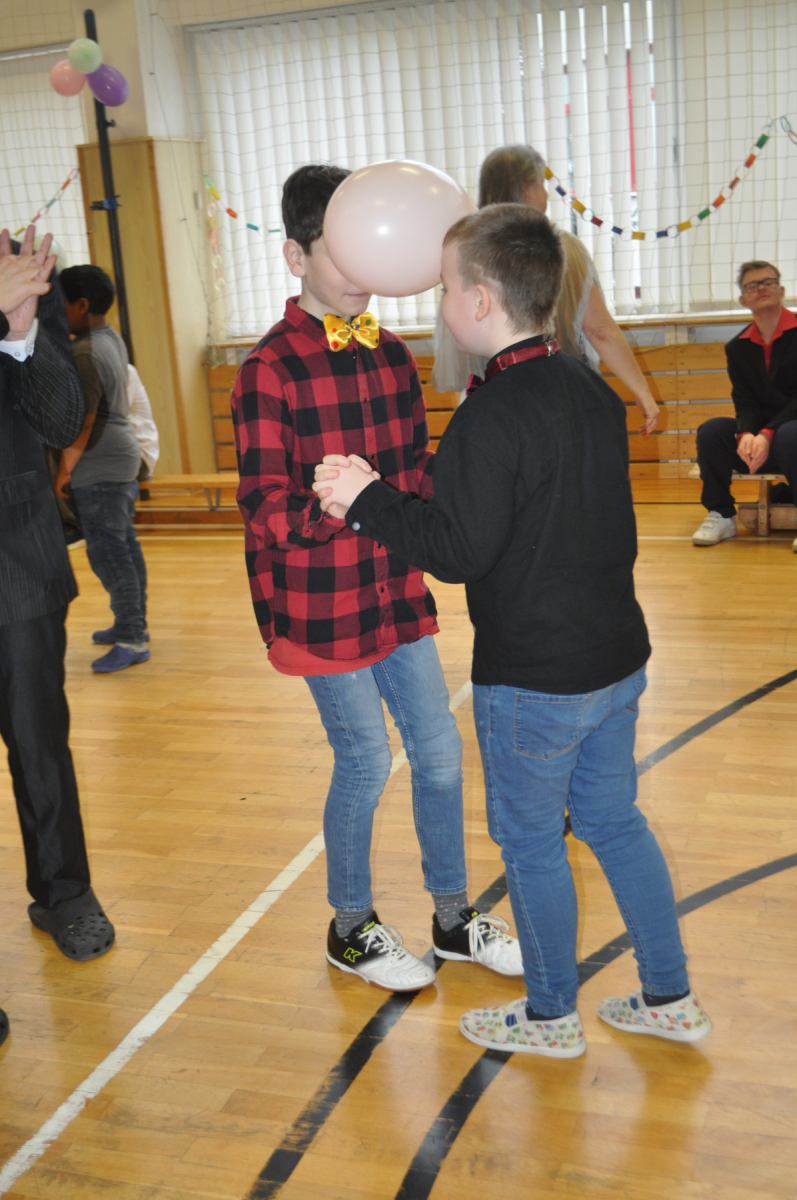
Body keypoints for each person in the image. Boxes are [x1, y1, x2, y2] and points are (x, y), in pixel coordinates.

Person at [314, 204, 712, 1056]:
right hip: (615, 659)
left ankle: (549, 1016)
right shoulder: (587, 386)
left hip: (534, 681)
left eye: (445, 287)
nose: (438, 302)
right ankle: (668, 997)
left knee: (531, 845)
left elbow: (456, 552)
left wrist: (364, 500)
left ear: (480, 302)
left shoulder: (489, 414)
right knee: (614, 822)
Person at [231, 164, 523, 993]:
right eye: (340, 247)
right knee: (364, 760)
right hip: (320, 602)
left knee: (439, 753)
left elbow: (411, 470)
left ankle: (452, 918)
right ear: (296, 256)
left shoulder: (392, 354)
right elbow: (264, 511)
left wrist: (468, 470)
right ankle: (349, 927)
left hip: (394, 588)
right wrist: (347, 500)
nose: (364, 264)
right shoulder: (268, 369)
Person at [0, 225, 115, 970]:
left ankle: (65, 894)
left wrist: (19, 334)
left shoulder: (19, 266)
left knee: (40, 742)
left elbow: (61, 419)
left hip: (16, 559)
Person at [432, 144, 660, 436]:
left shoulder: (463, 251)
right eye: (541, 184)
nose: (547, 193)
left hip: (489, 404)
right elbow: (600, 329)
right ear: (526, 189)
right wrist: (642, 391)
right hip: (559, 397)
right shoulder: (561, 248)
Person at [55, 266, 150, 671]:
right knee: (124, 546)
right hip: (122, 459)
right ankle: (132, 622)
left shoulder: (85, 352)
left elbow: (85, 422)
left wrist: (63, 470)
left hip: (100, 467)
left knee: (109, 554)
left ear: (81, 304)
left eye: (60, 304)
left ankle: (132, 637)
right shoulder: (109, 337)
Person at [693, 261, 797, 548]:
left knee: (791, 433)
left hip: (790, 438)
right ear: (743, 299)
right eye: (753, 285)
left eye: (768, 281)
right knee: (712, 431)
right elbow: (745, 402)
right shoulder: (737, 347)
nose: (761, 287)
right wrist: (745, 434)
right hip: (764, 446)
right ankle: (721, 514)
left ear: (781, 290)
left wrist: (767, 433)